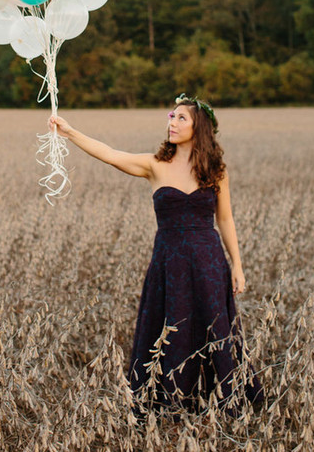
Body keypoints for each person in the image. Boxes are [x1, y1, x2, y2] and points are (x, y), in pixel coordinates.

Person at [50, 94, 263, 413]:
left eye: (181, 118)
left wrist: (238, 266)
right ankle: (167, 400)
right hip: (169, 261)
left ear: (199, 127)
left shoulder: (216, 170)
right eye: (171, 116)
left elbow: (226, 218)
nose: (172, 123)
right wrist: (69, 132)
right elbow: (110, 154)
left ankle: (215, 400)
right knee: (169, 326)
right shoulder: (154, 165)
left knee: (214, 327)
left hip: (208, 259)